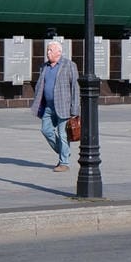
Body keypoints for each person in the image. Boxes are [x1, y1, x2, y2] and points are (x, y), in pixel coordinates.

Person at [32, 38, 79, 172]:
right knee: (46, 130)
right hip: (48, 106)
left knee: (63, 134)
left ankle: (64, 163)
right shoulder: (44, 66)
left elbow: (75, 87)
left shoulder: (69, 65)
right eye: (47, 50)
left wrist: (75, 109)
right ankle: (64, 151)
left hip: (64, 106)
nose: (47, 52)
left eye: (50, 50)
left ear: (59, 52)